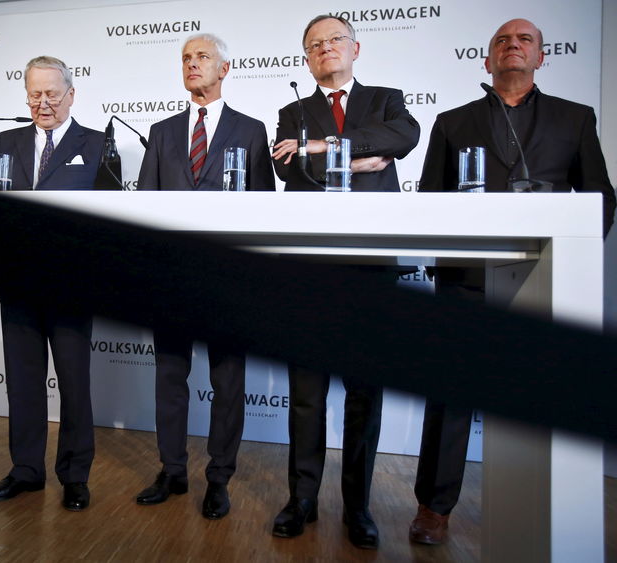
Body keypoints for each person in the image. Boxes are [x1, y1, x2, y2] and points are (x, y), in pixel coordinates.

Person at [414, 18, 616, 545]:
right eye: (502, 40)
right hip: (466, 280)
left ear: (542, 57)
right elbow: (430, 202)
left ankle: (548, 510)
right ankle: (433, 509)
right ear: (486, 61)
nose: (513, 46)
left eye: (525, 40)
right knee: (452, 395)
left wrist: (575, 260)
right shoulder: (452, 121)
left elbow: (600, 196)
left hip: (543, 278)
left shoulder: (575, 119)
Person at [269, 14, 419, 549]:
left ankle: (358, 505)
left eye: (334, 40)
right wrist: (354, 157)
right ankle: (301, 499)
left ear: (356, 47)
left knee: (364, 394)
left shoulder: (387, 99)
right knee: (306, 392)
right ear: (306, 57)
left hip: (372, 264)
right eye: (314, 44)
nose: (325, 49)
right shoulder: (292, 110)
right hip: (309, 265)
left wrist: (321, 148)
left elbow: (402, 137)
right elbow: (289, 171)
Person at [135, 33, 274, 520]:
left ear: (225, 69)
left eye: (202, 58)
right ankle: (172, 471)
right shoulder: (162, 130)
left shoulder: (253, 130)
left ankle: (219, 478)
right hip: (171, 278)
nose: (193, 65)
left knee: (228, 382)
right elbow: (144, 206)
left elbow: (264, 213)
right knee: (170, 379)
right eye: (186, 59)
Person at [0, 56, 106, 511]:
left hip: (71, 285)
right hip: (17, 283)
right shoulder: (6, 140)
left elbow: (108, 220)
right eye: (35, 93)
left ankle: (74, 475)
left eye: (52, 93)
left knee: (74, 383)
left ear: (72, 95)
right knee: (23, 382)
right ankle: (26, 471)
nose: (43, 102)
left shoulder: (95, 144)